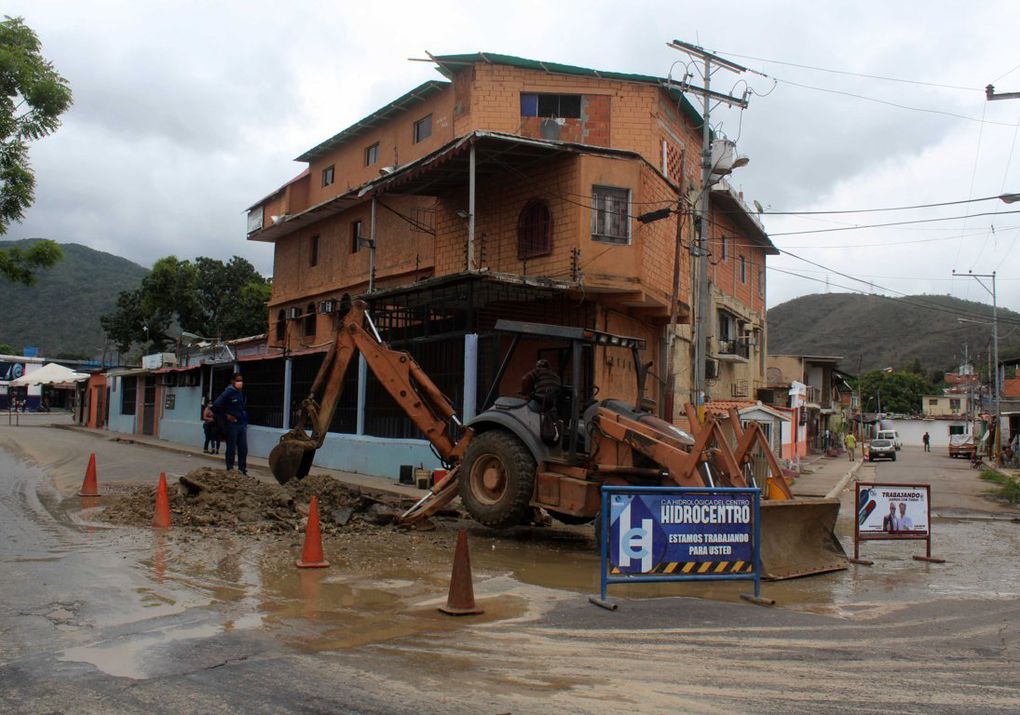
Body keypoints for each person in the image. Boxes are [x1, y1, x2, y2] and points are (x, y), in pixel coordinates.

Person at [520, 359, 562, 445]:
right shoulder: (555, 375)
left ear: (538, 366)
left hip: (540, 402)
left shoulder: (538, 371)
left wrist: (526, 394)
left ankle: (527, 434)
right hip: (552, 404)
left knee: (523, 410)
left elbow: (525, 379)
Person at [213, 373, 248, 475]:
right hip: (231, 425)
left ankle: (242, 469)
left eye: (241, 380)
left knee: (243, 448)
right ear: (232, 381)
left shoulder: (240, 393)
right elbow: (215, 406)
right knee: (231, 448)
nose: (240, 383)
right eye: (237, 380)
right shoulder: (228, 392)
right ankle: (230, 469)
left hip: (241, 424)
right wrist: (226, 416)